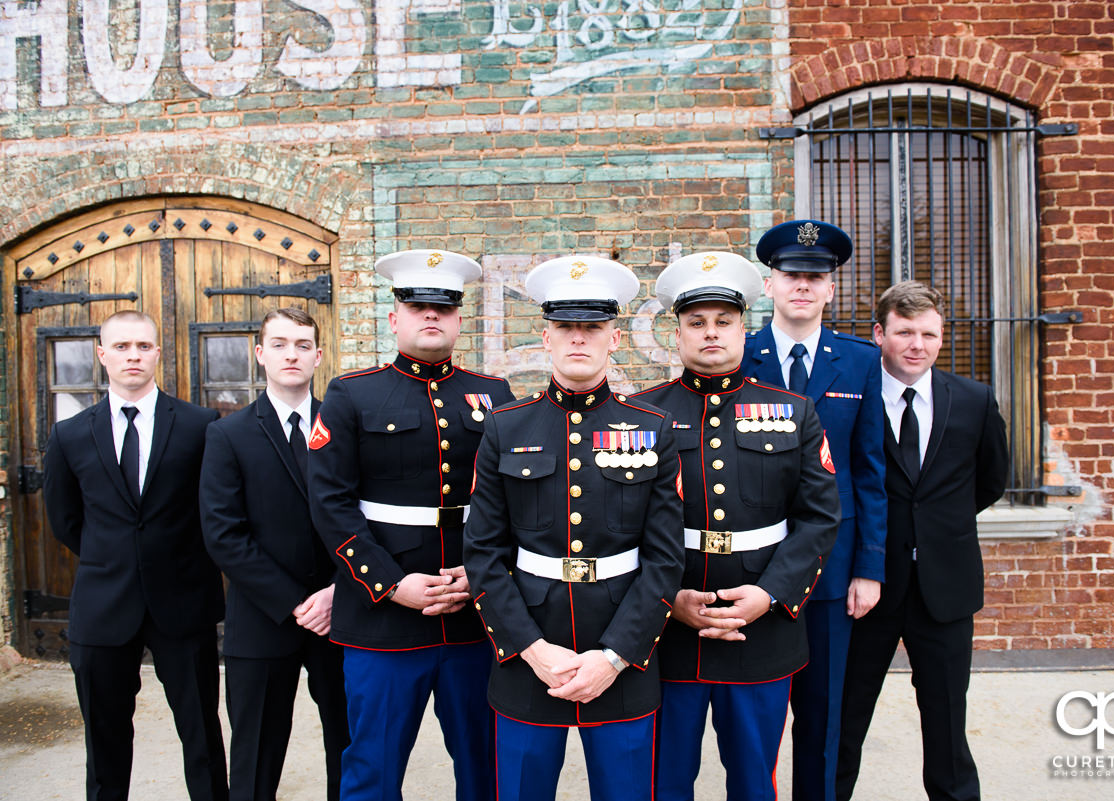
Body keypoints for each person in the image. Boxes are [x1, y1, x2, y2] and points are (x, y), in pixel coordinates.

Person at [462, 255, 684, 801]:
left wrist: (613, 657)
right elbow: (484, 553)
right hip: (528, 648)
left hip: (623, 647)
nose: (578, 339)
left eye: (593, 327)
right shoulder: (505, 427)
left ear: (614, 338)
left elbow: (664, 559)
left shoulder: (652, 429)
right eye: (566, 327)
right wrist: (533, 649)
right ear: (546, 337)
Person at [307, 249, 514, 801]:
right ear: (394, 316)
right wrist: (392, 585)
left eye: (442, 308)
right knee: (373, 765)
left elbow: (513, 501)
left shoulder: (493, 396)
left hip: (473, 616)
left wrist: (479, 574)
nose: (430, 316)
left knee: (486, 761)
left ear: (459, 319)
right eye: (417, 305)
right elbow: (331, 503)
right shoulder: (352, 393)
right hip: (383, 622)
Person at [637, 251, 841, 801]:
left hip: (761, 630)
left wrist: (770, 595)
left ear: (741, 329)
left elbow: (820, 517)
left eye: (723, 322)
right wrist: (666, 599)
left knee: (754, 780)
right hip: (666, 630)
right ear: (676, 333)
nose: (710, 334)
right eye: (696, 323)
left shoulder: (792, 411)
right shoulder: (639, 414)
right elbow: (622, 526)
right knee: (664, 779)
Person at [42, 309, 227, 801]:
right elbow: (66, 520)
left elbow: (212, 512)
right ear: (102, 354)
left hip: (182, 604)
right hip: (103, 606)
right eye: (121, 346)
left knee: (202, 735)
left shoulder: (199, 424)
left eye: (143, 346)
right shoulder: (70, 434)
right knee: (104, 743)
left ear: (158, 354)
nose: (133, 356)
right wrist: (116, 558)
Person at [836, 281, 1008, 801]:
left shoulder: (974, 400)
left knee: (947, 721)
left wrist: (935, 531)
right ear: (879, 335)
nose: (917, 344)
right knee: (844, 719)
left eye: (928, 333)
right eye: (905, 331)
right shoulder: (852, 400)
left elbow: (990, 481)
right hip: (867, 586)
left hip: (946, 587)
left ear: (941, 338)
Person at [741, 219, 888, 801]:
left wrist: (869, 567)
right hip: (752, 567)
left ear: (831, 288)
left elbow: (871, 471)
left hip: (833, 568)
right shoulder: (739, 353)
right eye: (791, 275)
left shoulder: (858, 361)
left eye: (816, 277)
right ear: (770, 283)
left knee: (823, 714)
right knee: (757, 717)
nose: (803, 286)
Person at [200, 307, 349, 801]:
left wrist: (335, 590)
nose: (292, 354)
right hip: (263, 618)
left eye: (303, 345)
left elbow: (363, 518)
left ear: (318, 356)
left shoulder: (346, 426)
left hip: (341, 614)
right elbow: (224, 534)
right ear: (260, 354)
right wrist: (294, 601)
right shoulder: (228, 435)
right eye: (280, 344)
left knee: (349, 747)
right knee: (256, 755)